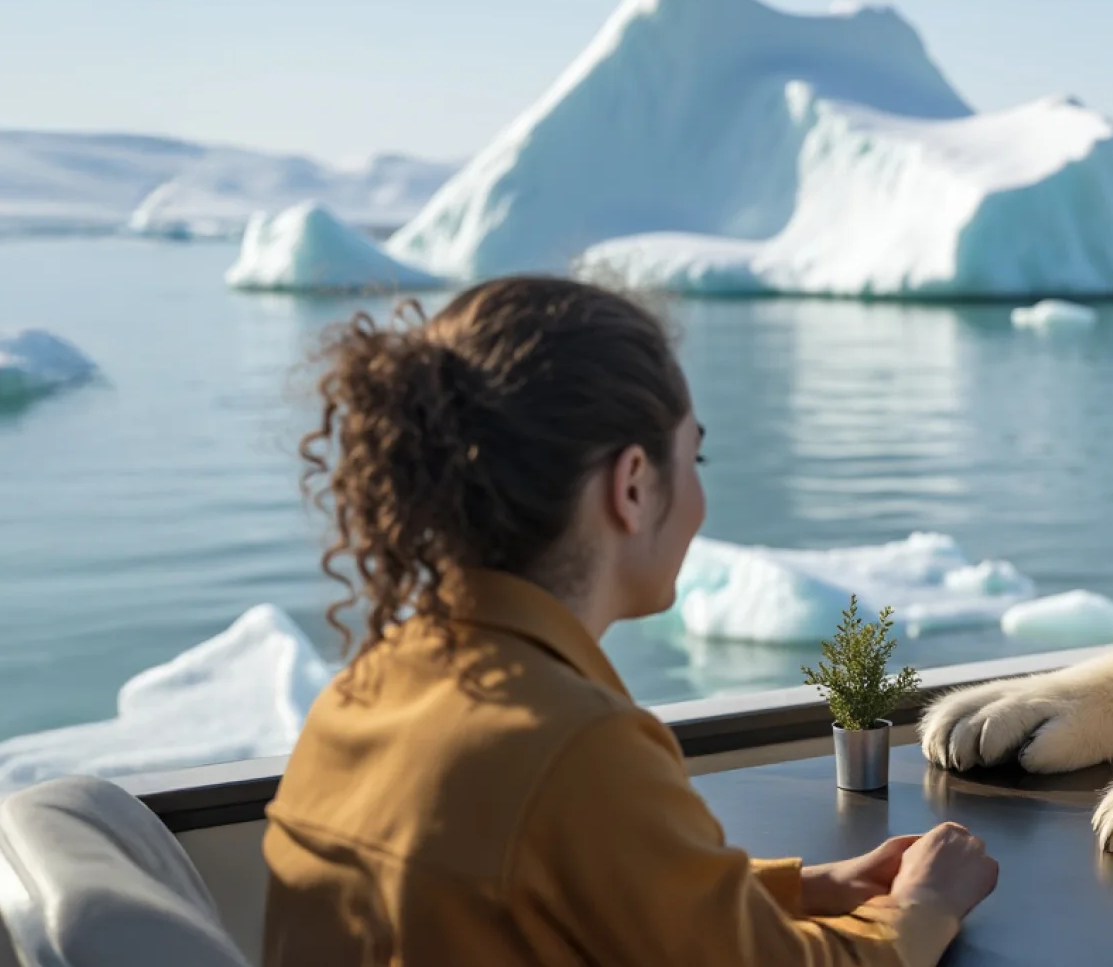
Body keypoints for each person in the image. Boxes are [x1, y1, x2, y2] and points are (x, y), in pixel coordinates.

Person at [262, 277, 998, 966]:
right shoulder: (573, 744)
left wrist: (802, 887)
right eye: (695, 456)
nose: (703, 499)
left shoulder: (358, 697)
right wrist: (923, 906)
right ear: (634, 485)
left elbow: (570, 888)